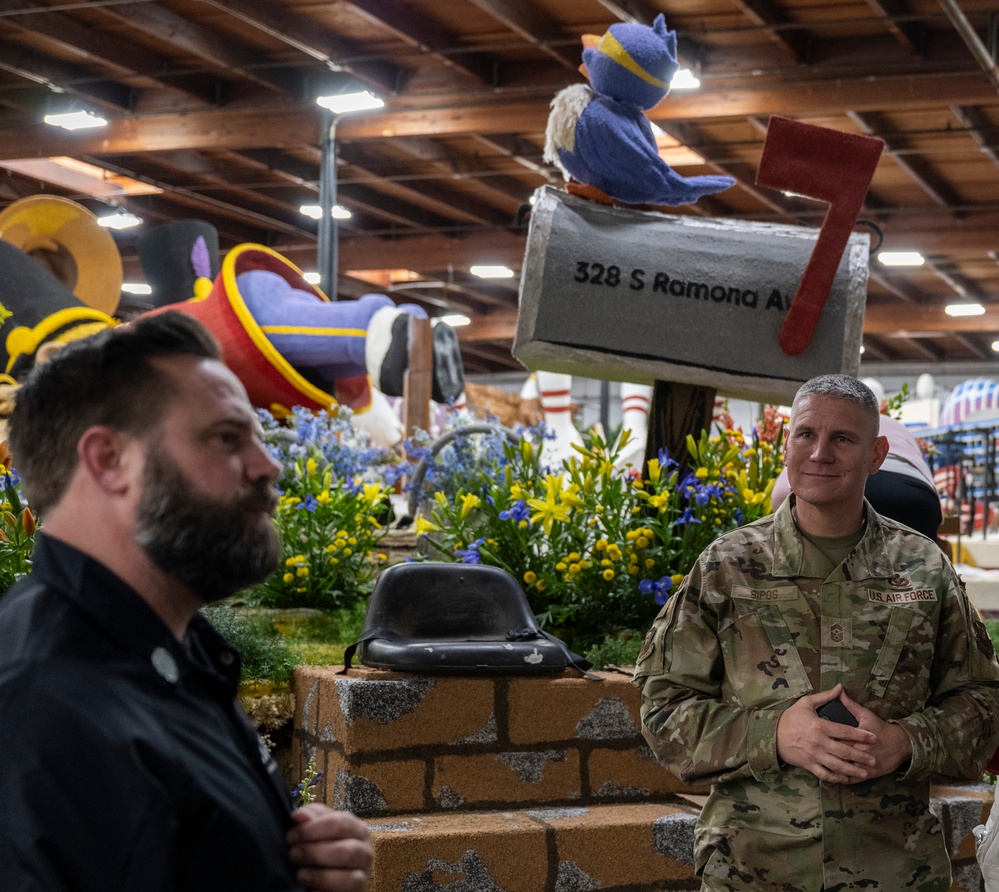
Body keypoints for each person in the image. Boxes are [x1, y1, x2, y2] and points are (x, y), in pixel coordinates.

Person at [0, 311, 373, 892]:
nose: (269, 465)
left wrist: (283, 862)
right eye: (227, 438)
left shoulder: (176, 647)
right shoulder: (42, 708)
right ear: (109, 460)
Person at [632, 374, 999, 891]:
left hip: (894, 868)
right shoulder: (727, 566)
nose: (820, 453)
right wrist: (775, 735)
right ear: (787, 446)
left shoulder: (924, 568)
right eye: (806, 434)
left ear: (875, 454)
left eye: (842, 438)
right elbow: (663, 706)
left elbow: (984, 702)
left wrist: (905, 741)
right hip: (752, 868)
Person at [771, 412, 943, 540]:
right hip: (914, 490)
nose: (819, 454)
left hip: (867, 478)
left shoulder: (816, 419)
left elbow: (781, 494)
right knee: (922, 562)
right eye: (807, 435)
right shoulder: (891, 426)